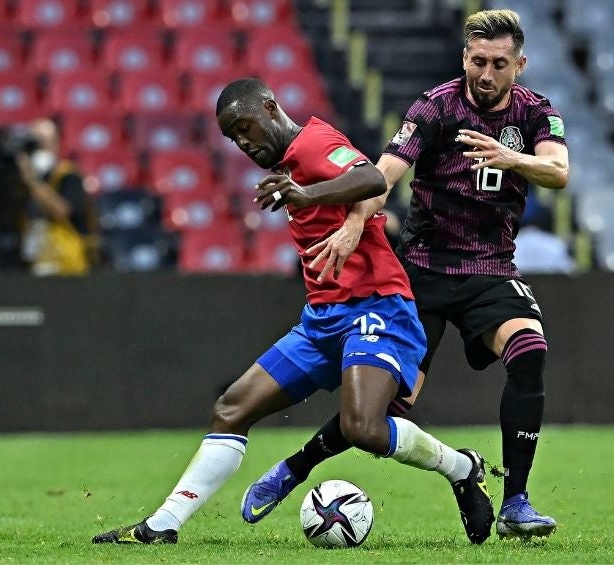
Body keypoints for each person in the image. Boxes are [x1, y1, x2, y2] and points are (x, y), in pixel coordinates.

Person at [92, 77, 494, 545]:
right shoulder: (288, 165)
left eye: (246, 127)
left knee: (361, 427)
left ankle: (462, 467)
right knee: (231, 409)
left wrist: (306, 195)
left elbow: (371, 178)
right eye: (233, 138)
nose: (243, 142)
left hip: (377, 307)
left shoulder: (314, 143)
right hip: (322, 320)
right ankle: (162, 525)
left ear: (270, 106)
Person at [242, 9, 569, 540]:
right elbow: (382, 175)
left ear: (520, 64)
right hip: (421, 270)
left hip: (490, 268)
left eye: (499, 64)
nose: (485, 74)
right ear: (464, 56)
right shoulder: (436, 107)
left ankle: (517, 503)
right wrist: (353, 225)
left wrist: (511, 159)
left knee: (530, 351)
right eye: (477, 61)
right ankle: (294, 470)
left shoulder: (535, 114)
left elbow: (558, 171)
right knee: (381, 409)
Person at [0, 118, 96, 275]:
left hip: (64, 265)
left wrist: (31, 181)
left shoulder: (67, 175)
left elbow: (63, 211)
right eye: (32, 143)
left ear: (56, 144)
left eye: (43, 142)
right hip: (30, 261)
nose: (38, 148)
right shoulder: (16, 177)